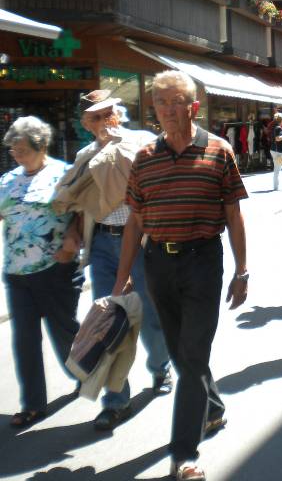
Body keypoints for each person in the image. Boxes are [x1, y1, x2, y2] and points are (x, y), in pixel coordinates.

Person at [113, 70, 249, 481]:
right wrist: (122, 278)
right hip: (158, 264)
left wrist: (242, 270)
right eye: (160, 102)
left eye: (176, 102)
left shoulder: (219, 151)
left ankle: (184, 454)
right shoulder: (145, 158)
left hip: (202, 261)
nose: (168, 109)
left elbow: (233, 214)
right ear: (153, 108)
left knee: (191, 355)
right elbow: (135, 223)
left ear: (194, 107)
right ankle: (213, 407)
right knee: (182, 354)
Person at [53, 90, 172, 431]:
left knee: (149, 317)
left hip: (140, 244)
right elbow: (78, 202)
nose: (104, 121)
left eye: (108, 113)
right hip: (104, 244)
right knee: (108, 320)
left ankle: (161, 367)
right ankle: (116, 401)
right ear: (85, 123)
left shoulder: (143, 142)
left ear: (118, 113)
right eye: (96, 117)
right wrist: (73, 233)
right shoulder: (85, 156)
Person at [1, 116, 82, 428]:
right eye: (13, 151)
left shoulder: (64, 174)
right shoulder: (8, 180)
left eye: (22, 150)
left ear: (41, 146)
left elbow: (83, 213)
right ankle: (33, 404)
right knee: (25, 339)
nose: (17, 156)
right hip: (16, 272)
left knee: (64, 334)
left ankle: (85, 373)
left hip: (55, 269)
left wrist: (72, 240)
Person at [269, 112, 282, 191]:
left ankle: (276, 186)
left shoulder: (275, 127)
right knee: (277, 169)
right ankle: (276, 187)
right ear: (281, 120)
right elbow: (278, 138)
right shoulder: (278, 128)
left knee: (278, 167)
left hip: (275, 150)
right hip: (277, 151)